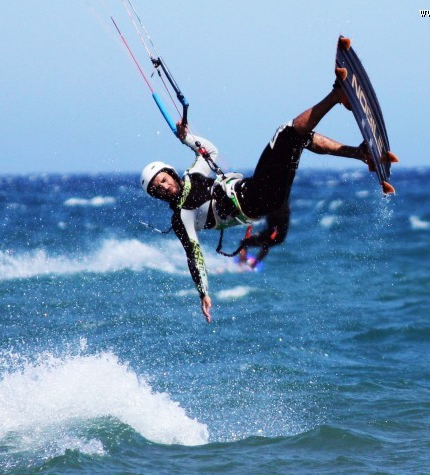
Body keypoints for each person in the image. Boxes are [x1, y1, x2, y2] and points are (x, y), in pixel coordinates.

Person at [140, 80, 372, 323]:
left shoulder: (193, 175)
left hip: (259, 192)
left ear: (170, 173)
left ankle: (360, 153)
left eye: (163, 180)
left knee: (297, 138)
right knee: (286, 133)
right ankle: (336, 95)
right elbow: (194, 255)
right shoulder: (181, 216)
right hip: (254, 200)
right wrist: (204, 293)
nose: (164, 188)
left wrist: (187, 138)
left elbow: (210, 151)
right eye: (158, 190)